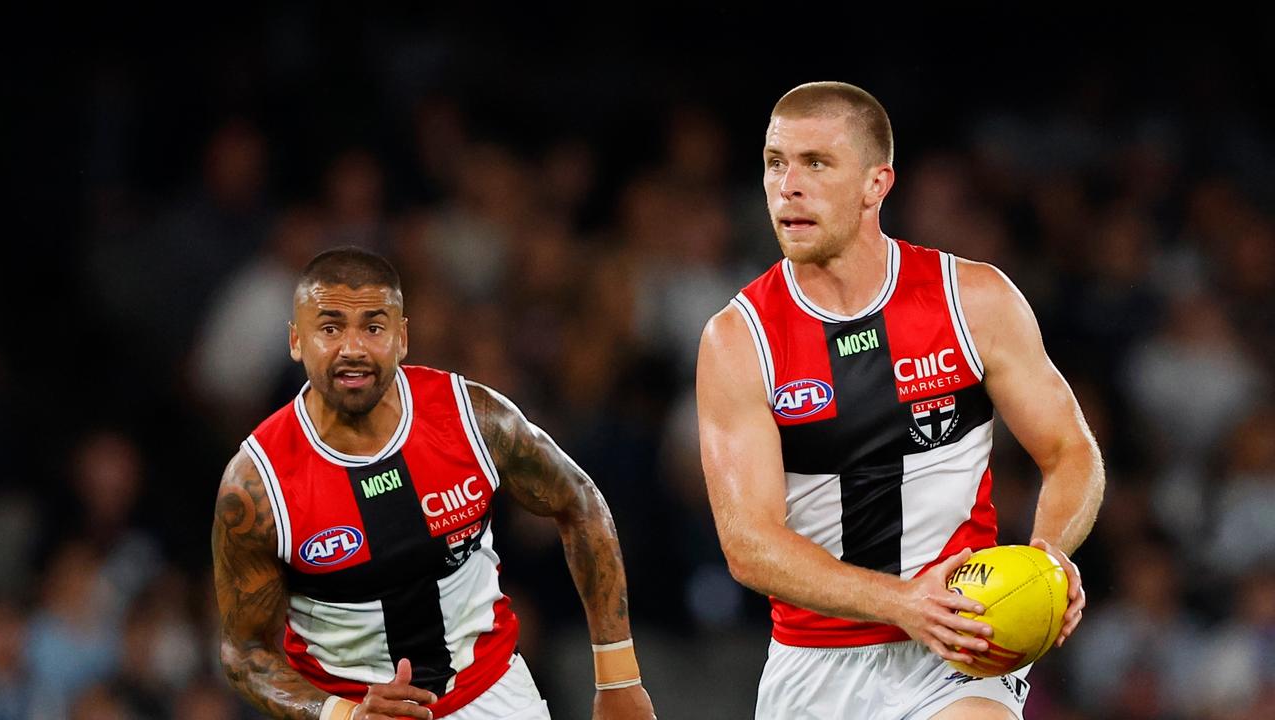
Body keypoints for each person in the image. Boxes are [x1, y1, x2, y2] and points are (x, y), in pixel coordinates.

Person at [696, 82, 1104, 719]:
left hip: (960, 648)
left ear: (876, 185)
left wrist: (1046, 557)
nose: (788, 186)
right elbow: (749, 543)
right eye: (776, 162)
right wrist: (904, 602)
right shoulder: (738, 340)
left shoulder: (973, 300)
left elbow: (1071, 450)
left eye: (816, 163)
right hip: (813, 666)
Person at [212, 247, 657, 720]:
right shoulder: (257, 485)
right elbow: (243, 653)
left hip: (494, 698)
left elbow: (580, 503)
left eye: (374, 326)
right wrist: (340, 714)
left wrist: (619, 678)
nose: (353, 349)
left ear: (402, 337)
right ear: (296, 340)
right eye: (330, 327)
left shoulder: (474, 420)